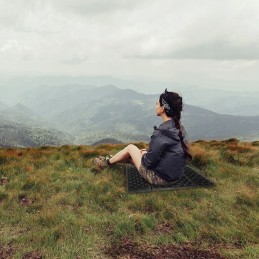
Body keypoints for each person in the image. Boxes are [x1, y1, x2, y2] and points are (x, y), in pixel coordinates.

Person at [93, 89, 192, 186]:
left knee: (131, 148)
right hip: (174, 176)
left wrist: (144, 154)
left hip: (160, 178)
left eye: (157, 103)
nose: (155, 105)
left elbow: (147, 163)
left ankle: (106, 162)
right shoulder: (179, 127)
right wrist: (146, 153)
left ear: (162, 109)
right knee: (136, 153)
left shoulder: (162, 133)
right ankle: (110, 159)